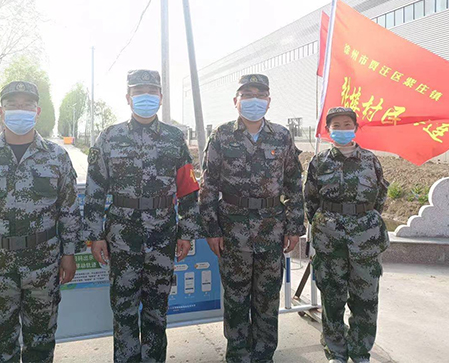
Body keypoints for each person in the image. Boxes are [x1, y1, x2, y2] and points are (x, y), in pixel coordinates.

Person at [0, 80, 83, 362]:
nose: (20, 110)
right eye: (13, 105)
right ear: (1, 111)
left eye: (27, 105)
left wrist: (69, 254)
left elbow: (69, 210)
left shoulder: (56, 157)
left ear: (37, 111)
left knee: (41, 342)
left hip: (43, 265)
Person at [85, 69, 200, 363]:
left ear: (160, 97)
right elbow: (95, 190)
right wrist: (95, 235)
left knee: (156, 312)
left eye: (151, 91)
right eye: (139, 91)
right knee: (123, 312)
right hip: (122, 238)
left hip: (163, 237)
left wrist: (187, 233)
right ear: (128, 97)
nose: (145, 96)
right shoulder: (109, 137)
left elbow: (188, 190)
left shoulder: (174, 138)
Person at [199, 74, 305, 363]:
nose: (253, 100)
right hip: (233, 228)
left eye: (260, 95)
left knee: (268, 297)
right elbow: (208, 185)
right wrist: (211, 229)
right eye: (247, 95)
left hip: (272, 228)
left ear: (268, 101)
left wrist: (295, 226)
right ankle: (237, 355)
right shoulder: (221, 135)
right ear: (236, 101)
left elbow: (293, 183)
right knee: (236, 298)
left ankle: (263, 355)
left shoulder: (281, 136)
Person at [304, 106, 390, 363]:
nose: (342, 129)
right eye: (336, 126)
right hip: (330, 241)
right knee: (332, 299)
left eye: (347, 124)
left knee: (366, 300)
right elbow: (311, 200)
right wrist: (326, 224)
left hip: (366, 240)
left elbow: (380, 197)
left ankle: (360, 352)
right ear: (328, 130)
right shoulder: (319, 162)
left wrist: (362, 219)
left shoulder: (370, 160)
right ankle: (336, 352)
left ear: (355, 127)